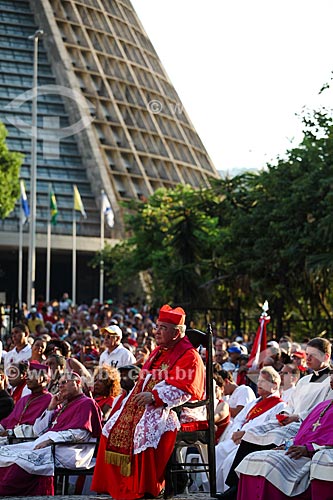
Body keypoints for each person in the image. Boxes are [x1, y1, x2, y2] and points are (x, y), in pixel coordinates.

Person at [91, 304, 205, 500]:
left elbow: (185, 387)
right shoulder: (159, 351)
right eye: (157, 327)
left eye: (163, 328)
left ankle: (146, 487)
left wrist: (154, 397)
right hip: (146, 403)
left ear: (177, 333)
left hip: (175, 408)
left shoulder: (189, 356)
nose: (157, 332)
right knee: (109, 427)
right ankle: (120, 485)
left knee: (142, 431)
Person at [0, 371, 102, 495]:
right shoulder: (63, 405)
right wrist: (51, 407)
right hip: (47, 446)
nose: (61, 387)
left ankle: (12, 494)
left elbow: (80, 433)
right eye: (59, 384)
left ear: (78, 383)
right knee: (3, 453)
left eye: (64, 382)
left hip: (68, 450)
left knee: (19, 463)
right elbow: (39, 430)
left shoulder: (87, 403)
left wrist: (50, 440)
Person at [236, 370, 333, 500]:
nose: (331, 380)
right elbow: (306, 432)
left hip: (315, 453)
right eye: (331, 375)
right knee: (253, 458)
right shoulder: (323, 405)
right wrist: (287, 445)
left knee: (267, 465)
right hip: (302, 447)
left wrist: (309, 449)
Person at [215, 366, 286, 495]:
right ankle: (215, 490)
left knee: (230, 463)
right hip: (237, 438)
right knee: (217, 452)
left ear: (274, 385)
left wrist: (247, 435)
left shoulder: (280, 405)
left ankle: (230, 495)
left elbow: (272, 425)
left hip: (253, 441)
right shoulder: (254, 403)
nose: (258, 384)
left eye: (263, 381)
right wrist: (237, 432)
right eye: (258, 381)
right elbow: (240, 418)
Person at [0, 362, 52, 439]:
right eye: (27, 375)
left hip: (29, 441)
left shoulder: (49, 399)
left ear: (44, 379)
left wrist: (12, 432)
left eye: (31, 375)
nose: (27, 378)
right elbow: (7, 421)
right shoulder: (24, 399)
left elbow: (41, 428)